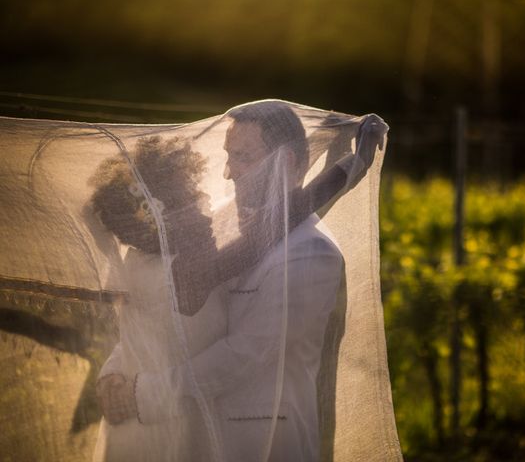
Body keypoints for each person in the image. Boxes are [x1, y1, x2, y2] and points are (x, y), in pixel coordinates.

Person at [93, 101, 386, 461]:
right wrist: (115, 372)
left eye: (243, 157)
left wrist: (140, 392)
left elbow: (248, 353)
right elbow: (152, 321)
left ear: (289, 162)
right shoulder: (205, 236)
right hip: (187, 436)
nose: (228, 174)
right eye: (228, 156)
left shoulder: (313, 252)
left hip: (261, 442)